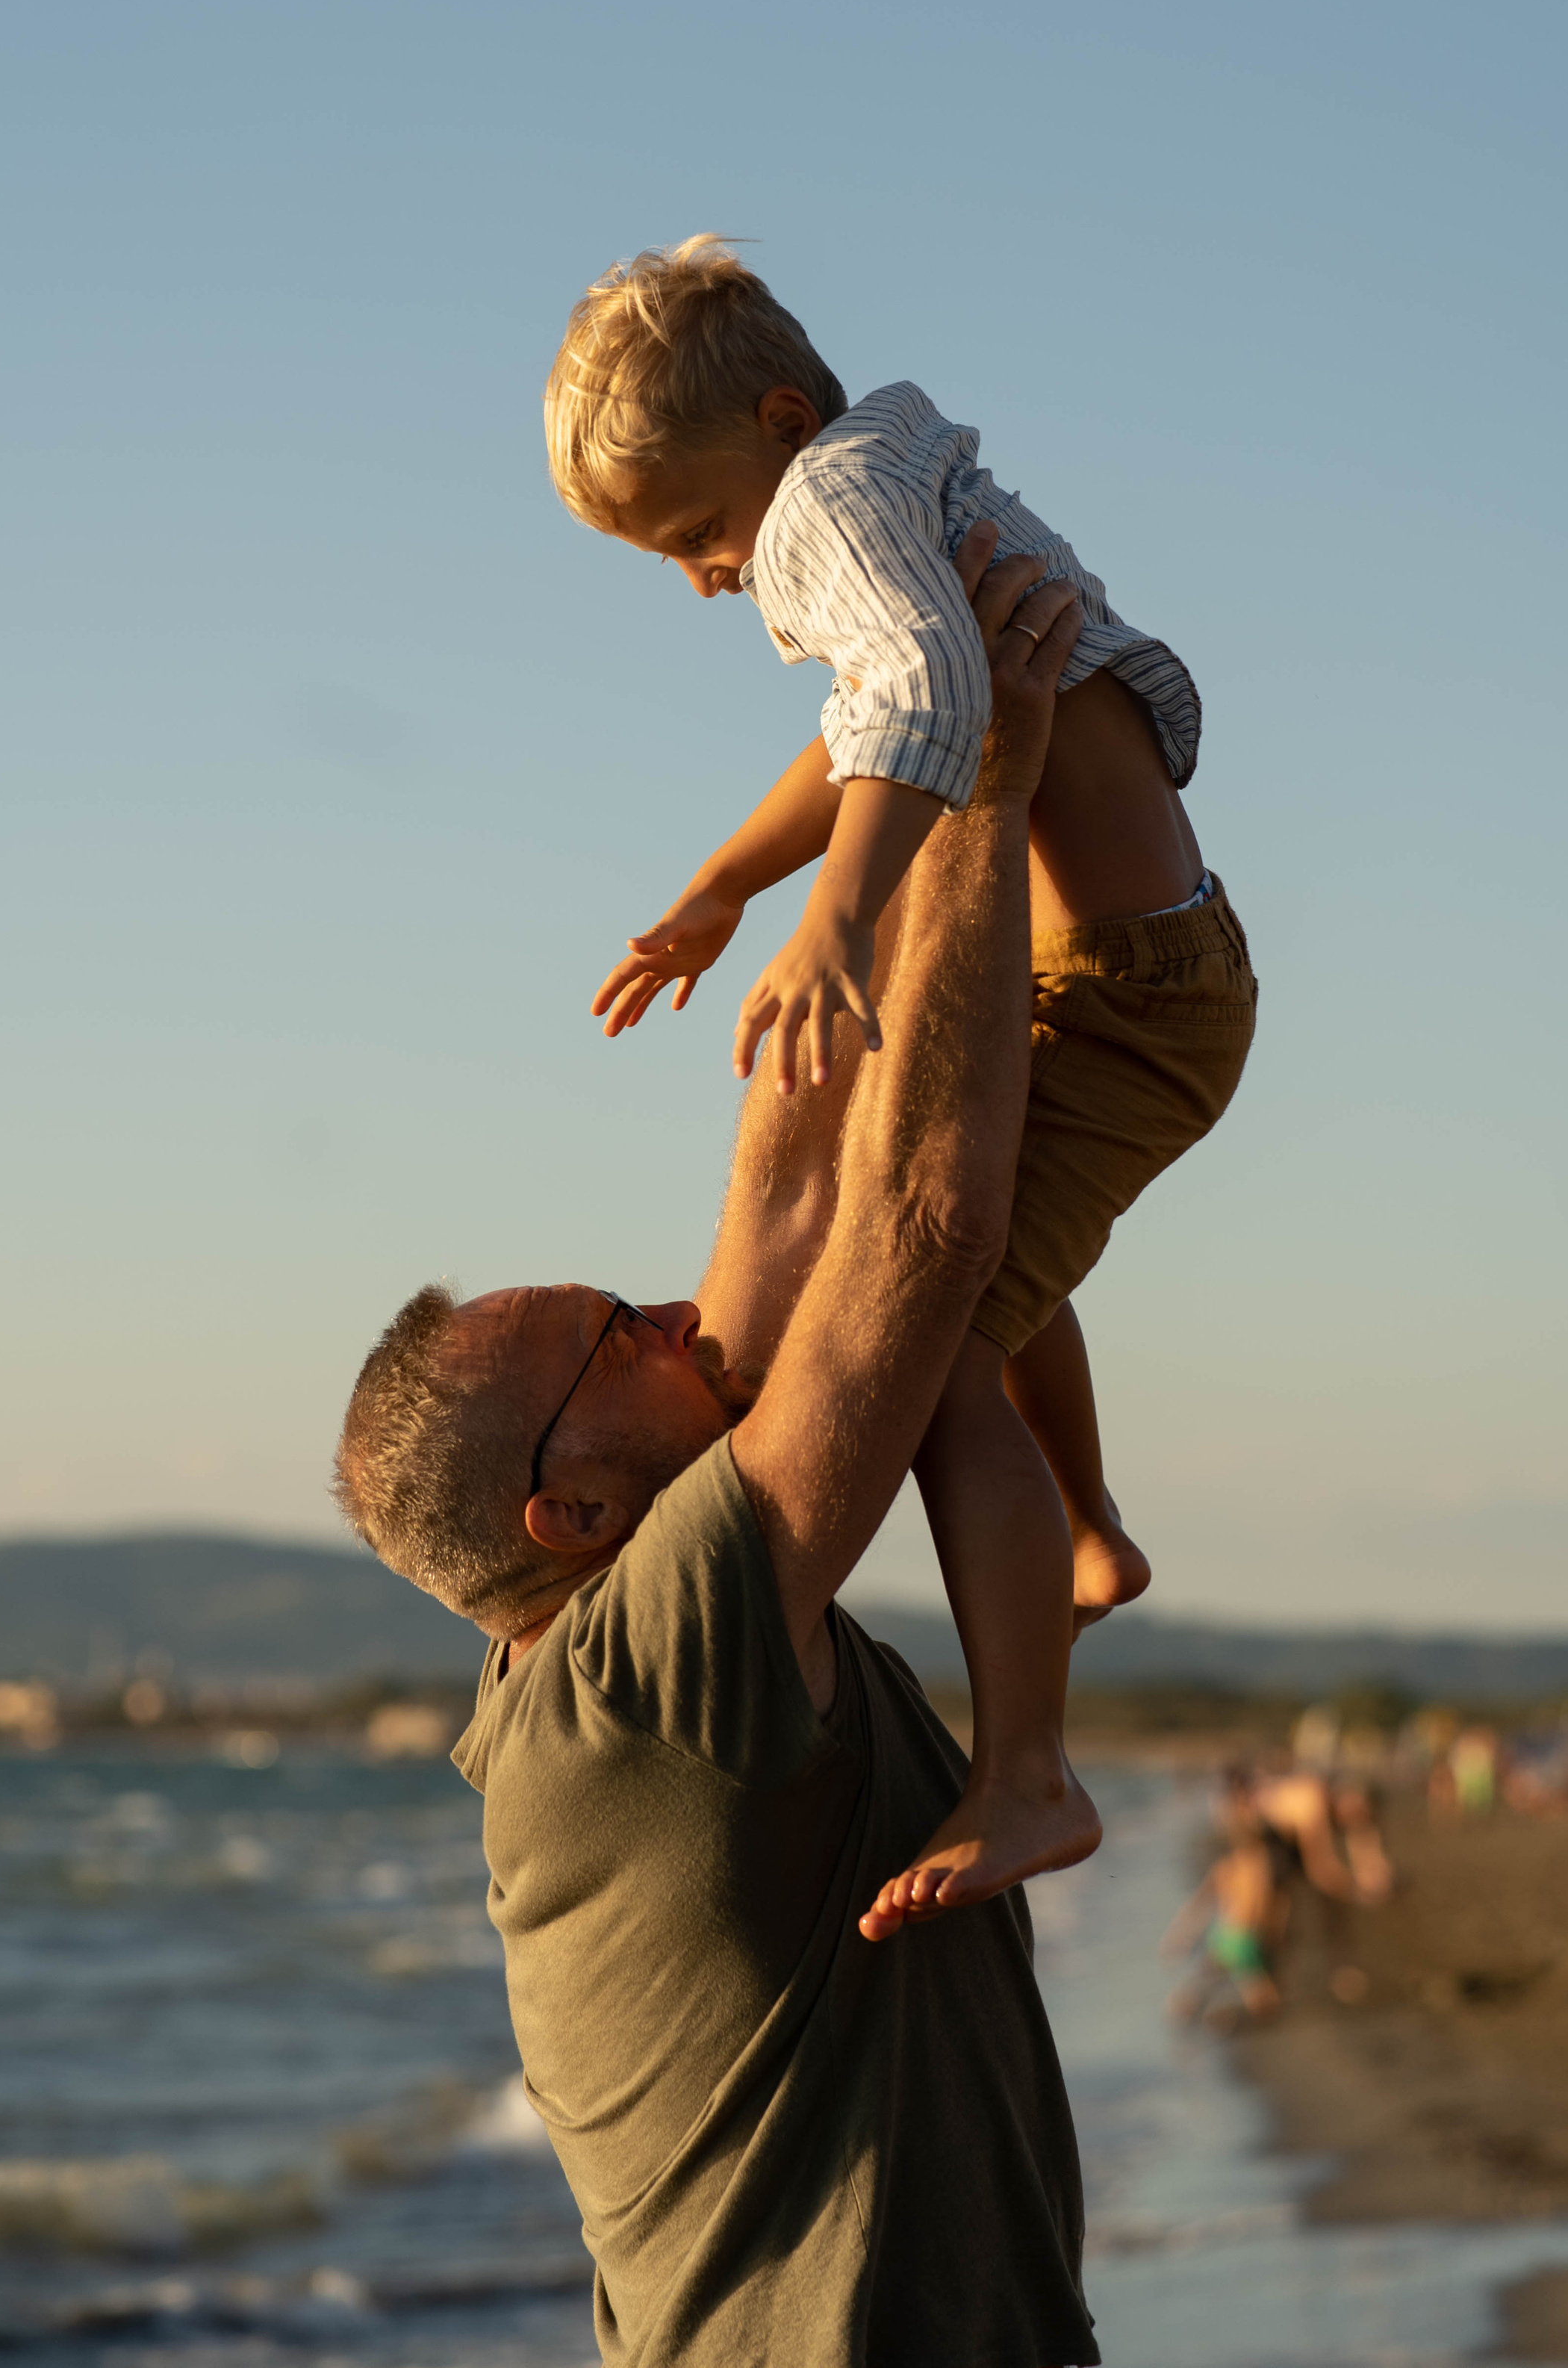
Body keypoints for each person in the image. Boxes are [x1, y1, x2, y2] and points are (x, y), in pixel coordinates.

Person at [335, 557, 1098, 2367]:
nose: (678, 1313)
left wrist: (876, 784)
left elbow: (785, 1185)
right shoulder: (641, 1675)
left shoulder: (595, 1622)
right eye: (621, 1336)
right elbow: (915, 1224)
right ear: (572, 1512)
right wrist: (986, 787)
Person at [544, 236, 1258, 1909]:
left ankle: (1028, 1777)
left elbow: (927, 694)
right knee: (975, 1246)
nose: (708, 577)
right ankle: (1084, 1525)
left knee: (927, 1354)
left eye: (697, 534)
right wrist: (731, 881)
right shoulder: (873, 476)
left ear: (779, 421)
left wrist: (839, 923)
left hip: (1129, 999)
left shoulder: (825, 508)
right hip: (1130, 968)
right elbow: (877, 708)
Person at [1163, 1774, 1286, 2023]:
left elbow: (1199, 1906)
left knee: (1207, 1979)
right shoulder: (1262, 1865)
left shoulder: (1226, 1867)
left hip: (1222, 1936)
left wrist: (1176, 1938)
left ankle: (1182, 2008)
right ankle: (1223, 2018)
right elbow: (1273, 1905)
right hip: (1245, 1938)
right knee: (1264, 1998)